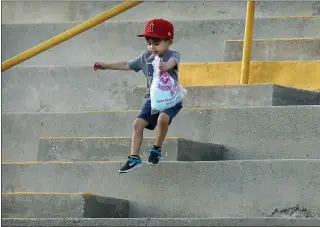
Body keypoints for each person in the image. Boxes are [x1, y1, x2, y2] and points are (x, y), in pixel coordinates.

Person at [93, 18, 182, 173]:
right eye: (149, 43)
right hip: (152, 99)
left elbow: (172, 63)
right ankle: (134, 158)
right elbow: (127, 64)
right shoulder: (145, 57)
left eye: (156, 43)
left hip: (171, 97)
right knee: (137, 124)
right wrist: (106, 66)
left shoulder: (173, 55)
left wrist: (164, 66)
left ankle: (156, 149)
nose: (152, 47)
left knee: (163, 119)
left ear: (169, 42)